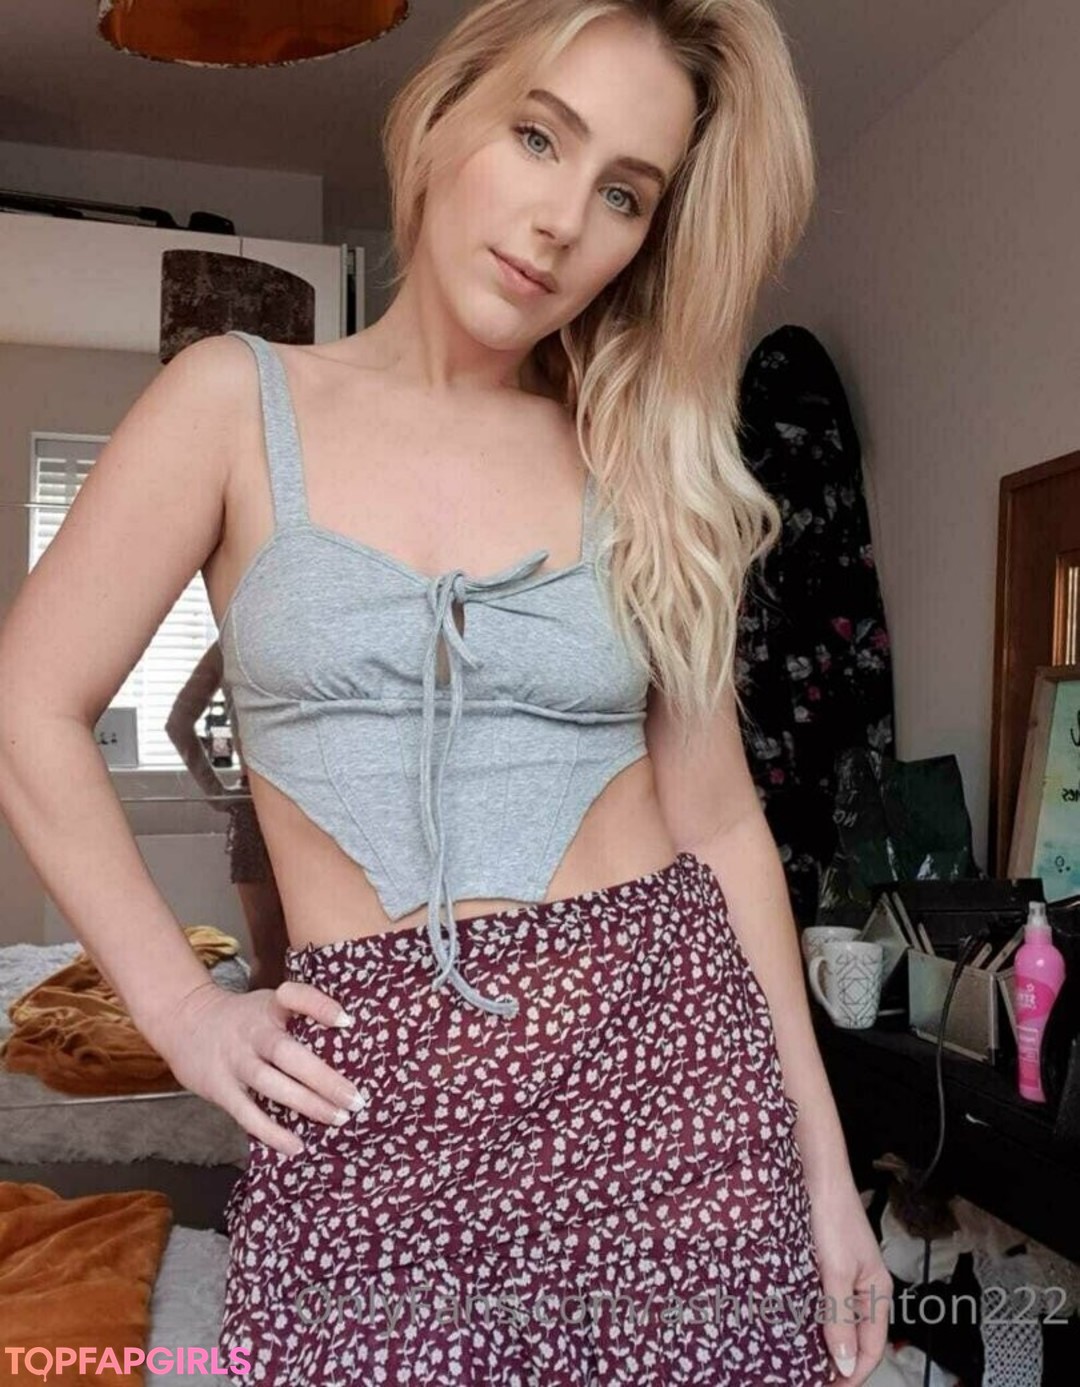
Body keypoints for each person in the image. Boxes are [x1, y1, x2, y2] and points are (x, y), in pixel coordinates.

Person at [0, 0, 892, 1381]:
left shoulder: (633, 455)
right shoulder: (233, 402)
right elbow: (28, 707)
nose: (562, 221)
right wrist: (182, 1011)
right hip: (367, 1113)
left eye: (624, 194)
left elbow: (722, 826)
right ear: (444, 112)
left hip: (673, 1100)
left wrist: (826, 1172)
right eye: (540, 137)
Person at [165, 640, 289, 991]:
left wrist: (217, 792)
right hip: (261, 812)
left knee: (283, 950)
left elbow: (179, 723)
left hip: (296, 811)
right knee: (275, 950)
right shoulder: (230, 642)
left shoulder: (231, 642)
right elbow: (178, 723)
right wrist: (216, 792)